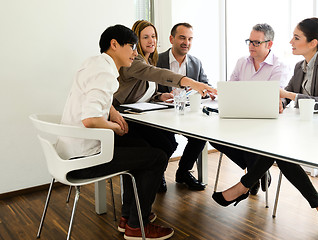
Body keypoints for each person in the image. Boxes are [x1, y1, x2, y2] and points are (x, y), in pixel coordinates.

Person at [213, 18, 318, 236]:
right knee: (279, 151)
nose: (290, 41)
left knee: (279, 151)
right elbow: (287, 97)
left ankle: (244, 186)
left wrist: (287, 96)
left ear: (313, 43)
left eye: (296, 37)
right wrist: (280, 103)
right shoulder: (301, 66)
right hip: (312, 129)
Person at [56, 24, 174, 240]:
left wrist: (112, 111)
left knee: (142, 148)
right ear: (114, 44)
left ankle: (129, 217)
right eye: (132, 46)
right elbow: (90, 119)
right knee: (157, 157)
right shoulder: (107, 73)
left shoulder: (93, 63)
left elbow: (92, 97)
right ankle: (137, 226)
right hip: (84, 159)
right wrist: (115, 127)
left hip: (69, 151)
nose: (135, 53)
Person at [112, 20, 216, 192]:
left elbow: (144, 91)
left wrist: (160, 96)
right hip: (125, 116)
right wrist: (189, 82)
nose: (151, 40)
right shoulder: (134, 60)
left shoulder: (149, 59)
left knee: (183, 139)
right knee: (166, 143)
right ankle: (153, 177)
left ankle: (174, 173)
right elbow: (157, 74)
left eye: (153, 36)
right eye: (145, 37)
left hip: (150, 113)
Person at [210, 23, 292, 195]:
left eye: (256, 42)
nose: (251, 46)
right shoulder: (242, 62)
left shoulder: (279, 66)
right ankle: (257, 171)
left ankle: (253, 175)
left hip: (265, 123)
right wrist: (220, 94)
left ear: (269, 44)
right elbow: (231, 89)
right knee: (213, 137)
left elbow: (274, 98)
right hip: (240, 118)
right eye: (249, 41)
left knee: (251, 141)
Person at [156, 23, 210, 191]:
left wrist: (206, 92)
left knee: (200, 136)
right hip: (161, 114)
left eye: (190, 38)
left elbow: (205, 85)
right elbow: (149, 89)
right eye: (182, 38)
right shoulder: (157, 60)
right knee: (166, 141)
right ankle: (158, 175)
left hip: (187, 114)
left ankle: (183, 172)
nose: (186, 42)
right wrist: (161, 97)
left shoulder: (196, 63)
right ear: (171, 39)